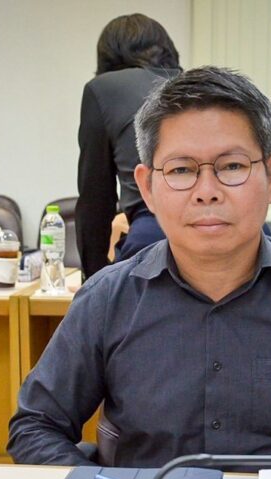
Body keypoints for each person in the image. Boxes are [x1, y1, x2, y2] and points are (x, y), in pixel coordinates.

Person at [8, 66, 271, 467]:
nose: (207, 192)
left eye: (232, 166)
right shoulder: (107, 299)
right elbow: (35, 426)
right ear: (147, 187)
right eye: (181, 170)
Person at [75, 13, 182, 279]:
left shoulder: (103, 89)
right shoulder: (193, 83)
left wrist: (93, 282)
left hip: (154, 235)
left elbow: (95, 199)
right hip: (237, 234)